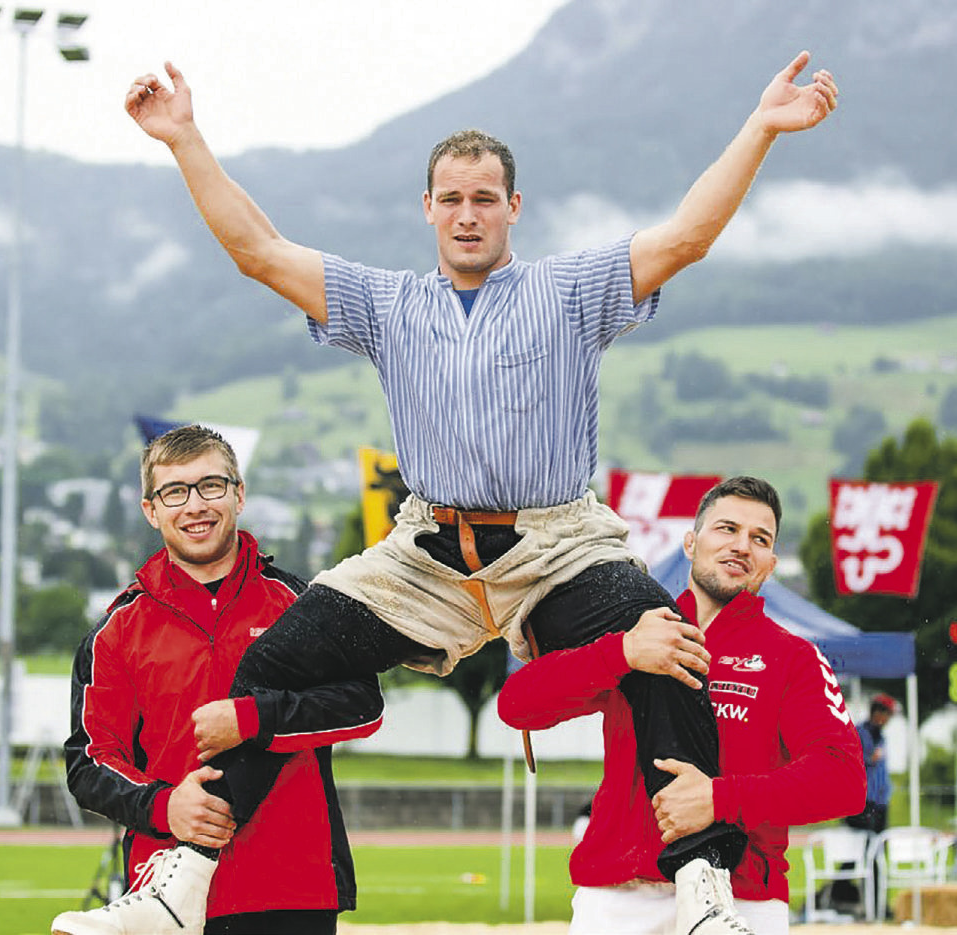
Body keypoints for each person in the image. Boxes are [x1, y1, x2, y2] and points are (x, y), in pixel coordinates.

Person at [85, 50, 839, 935]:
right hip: (426, 552)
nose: (469, 213)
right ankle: (183, 882)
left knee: (665, 641)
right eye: (452, 197)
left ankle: (703, 888)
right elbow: (258, 250)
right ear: (428, 209)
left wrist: (759, 126)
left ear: (513, 208)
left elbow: (684, 239)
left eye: (486, 198)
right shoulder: (387, 304)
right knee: (273, 662)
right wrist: (183, 138)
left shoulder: (565, 290)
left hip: (559, 543)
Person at [498, 476, 866, 935]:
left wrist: (720, 798)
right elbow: (518, 705)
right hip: (618, 897)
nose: (741, 546)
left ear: (770, 564)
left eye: (759, 539)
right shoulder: (641, 630)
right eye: (726, 529)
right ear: (690, 543)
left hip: (739, 896)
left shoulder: (792, 657)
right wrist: (622, 653)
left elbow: (844, 781)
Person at [50, 425, 363, 935]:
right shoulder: (115, 631)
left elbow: (359, 704)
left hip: (291, 892)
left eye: (210, 486)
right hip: (163, 898)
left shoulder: (297, 606)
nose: (194, 505)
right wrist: (164, 805)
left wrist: (253, 718)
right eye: (175, 492)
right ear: (151, 510)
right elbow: (88, 764)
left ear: (239, 494)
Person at [846, 694, 895, 835]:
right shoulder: (860, 732)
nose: (888, 720)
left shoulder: (881, 736)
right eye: (887, 715)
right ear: (878, 713)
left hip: (879, 800)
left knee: (878, 845)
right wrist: (870, 759)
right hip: (863, 800)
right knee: (859, 845)